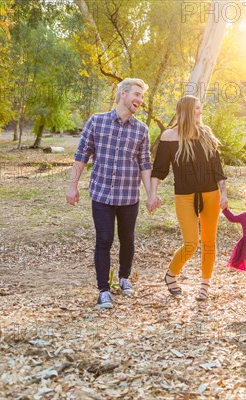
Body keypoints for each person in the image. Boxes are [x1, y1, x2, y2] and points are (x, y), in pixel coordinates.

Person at [66, 78, 156, 309]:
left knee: (127, 239)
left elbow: (145, 164)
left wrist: (150, 194)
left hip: (128, 196)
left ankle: (124, 276)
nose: (139, 100)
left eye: (142, 97)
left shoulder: (141, 129)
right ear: (123, 94)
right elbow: (81, 156)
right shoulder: (97, 121)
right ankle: (103, 290)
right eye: (136, 94)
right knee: (104, 240)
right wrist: (72, 185)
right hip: (101, 194)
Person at [149, 95, 228, 301]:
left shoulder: (206, 135)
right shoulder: (169, 136)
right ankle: (171, 274)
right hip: (184, 196)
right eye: (196, 109)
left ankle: (204, 285)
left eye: (200, 108)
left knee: (209, 242)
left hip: (211, 194)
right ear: (185, 111)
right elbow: (159, 169)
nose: (200, 112)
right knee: (191, 243)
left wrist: (224, 193)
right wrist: (152, 193)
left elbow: (217, 168)